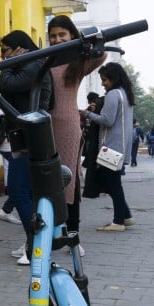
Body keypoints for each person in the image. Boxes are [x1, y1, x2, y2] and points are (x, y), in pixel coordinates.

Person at [46, 15, 106, 250]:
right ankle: (46, 234)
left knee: (69, 181)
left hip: (69, 126)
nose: (57, 39)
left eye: (63, 34)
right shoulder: (45, 59)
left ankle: (73, 236)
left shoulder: (78, 61)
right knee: (46, 182)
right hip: (45, 126)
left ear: (71, 35)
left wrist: (83, 41)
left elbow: (101, 54)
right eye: (53, 36)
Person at [0, 30, 53, 265]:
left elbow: (6, 85)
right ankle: (35, 242)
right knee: (28, 192)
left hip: (31, 137)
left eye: (6, 52)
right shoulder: (33, 63)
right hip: (29, 136)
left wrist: (10, 64)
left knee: (18, 190)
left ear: (20, 48)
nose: (3, 57)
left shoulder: (33, 63)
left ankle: (36, 244)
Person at [80, 62, 135, 231]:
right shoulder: (125, 94)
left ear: (113, 78)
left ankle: (118, 221)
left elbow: (107, 120)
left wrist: (86, 113)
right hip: (120, 146)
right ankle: (125, 216)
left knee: (112, 184)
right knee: (111, 182)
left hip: (110, 147)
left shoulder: (113, 95)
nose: (103, 83)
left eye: (105, 80)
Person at [81, 91, 103, 199]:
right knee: (91, 158)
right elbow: (82, 121)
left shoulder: (99, 108)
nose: (93, 104)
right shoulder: (87, 110)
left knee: (95, 158)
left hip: (97, 137)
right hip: (89, 137)